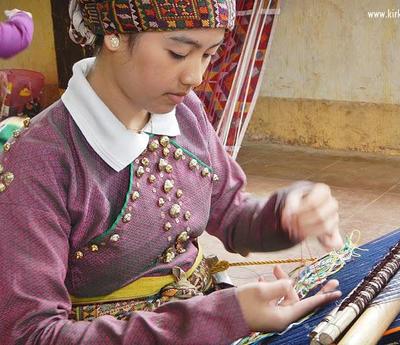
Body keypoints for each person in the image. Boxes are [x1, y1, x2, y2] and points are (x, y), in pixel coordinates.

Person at [0, 1, 343, 344]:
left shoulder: (185, 112)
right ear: (115, 34)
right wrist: (219, 317)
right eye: (179, 53)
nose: (195, 77)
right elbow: (31, 335)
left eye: (209, 54)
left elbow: (233, 214)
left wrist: (285, 215)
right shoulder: (40, 159)